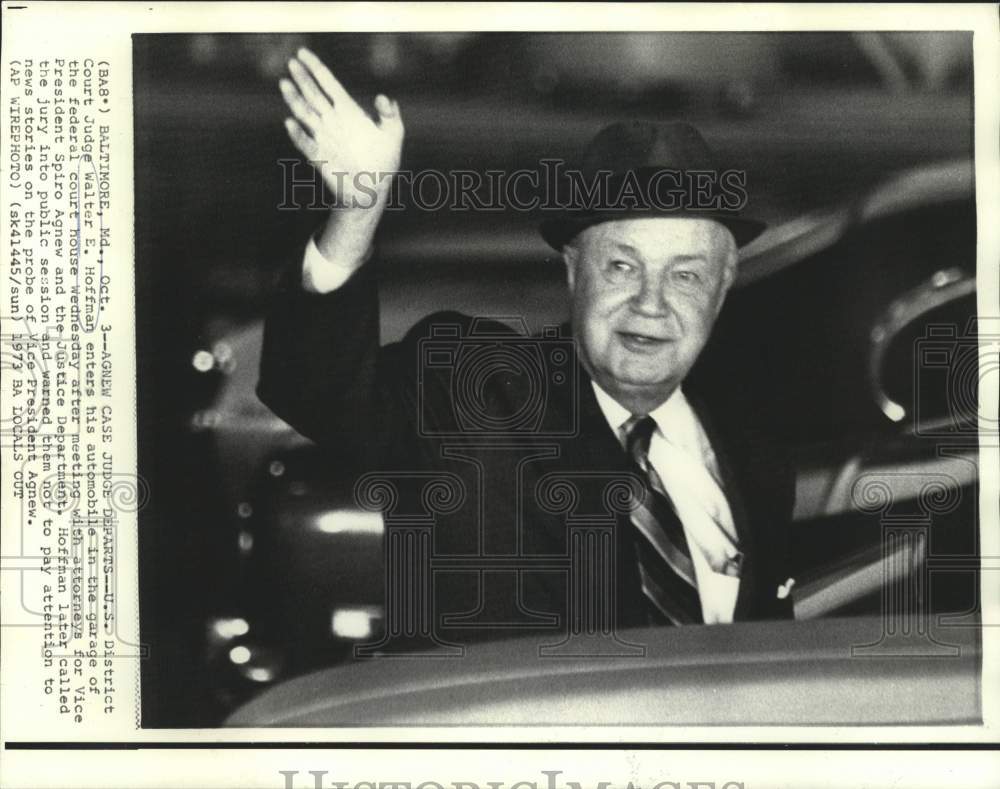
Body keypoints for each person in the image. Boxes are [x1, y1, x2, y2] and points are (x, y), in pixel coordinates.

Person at [258, 48, 795, 647]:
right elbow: (318, 390)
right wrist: (357, 213)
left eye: (686, 275)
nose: (651, 303)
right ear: (573, 272)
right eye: (622, 266)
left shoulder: (756, 457)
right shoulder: (481, 388)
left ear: (721, 289)